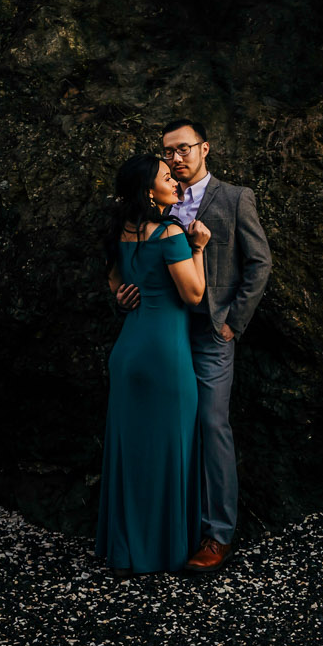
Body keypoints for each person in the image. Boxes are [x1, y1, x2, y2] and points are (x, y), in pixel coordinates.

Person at [115, 118, 271, 576]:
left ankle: (217, 534)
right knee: (168, 428)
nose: (175, 158)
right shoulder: (152, 201)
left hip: (207, 333)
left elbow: (260, 264)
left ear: (206, 148)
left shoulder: (235, 198)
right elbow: (131, 260)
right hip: (161, 332)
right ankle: (167, 530)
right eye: (168, 152)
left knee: (210, 424)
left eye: (183, 149)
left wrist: (231, 325)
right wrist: (124, 294)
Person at [95, 152, 211, 575]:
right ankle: (164, 551)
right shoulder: (170, 233)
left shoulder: (120, 231)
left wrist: (125, 296)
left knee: (131, 451)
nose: (174, 180)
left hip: (128, 350)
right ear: (149, 190)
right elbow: (194, 295)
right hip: (165, 354)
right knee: (170, 450)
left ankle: (126, 550)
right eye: (166, 177)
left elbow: (115, 284)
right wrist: (197, 247)